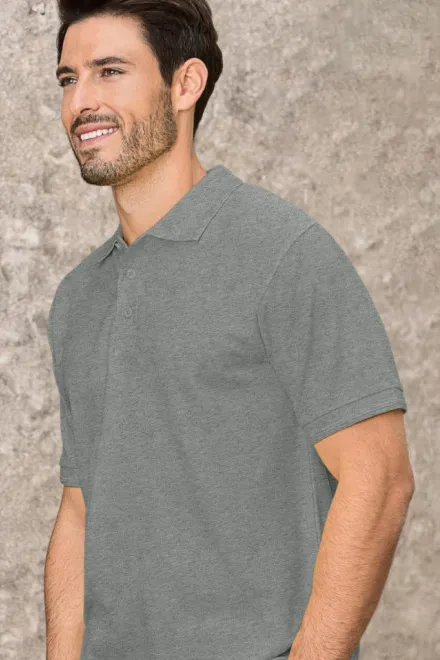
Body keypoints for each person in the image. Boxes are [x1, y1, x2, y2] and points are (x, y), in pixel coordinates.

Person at [44, 2, 415, 660]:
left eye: (110, 71)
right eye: (69, 79)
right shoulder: (79, 299)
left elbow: (379, 479)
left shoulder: (282, 253)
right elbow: (80, 510)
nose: (82, 102)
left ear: (185, 84)